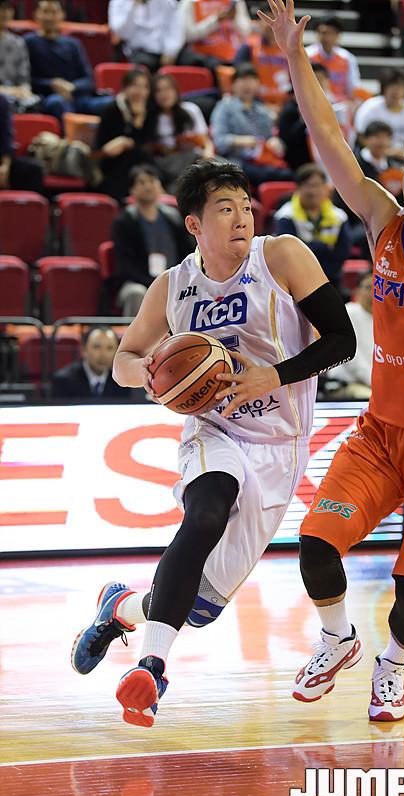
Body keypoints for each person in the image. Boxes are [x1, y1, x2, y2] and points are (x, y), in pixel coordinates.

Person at [261, 0, 404, 721]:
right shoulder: (382, 225)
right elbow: (329, 139)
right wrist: (294, 56)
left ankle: (392, 666)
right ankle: (338, 640)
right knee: (314, 545)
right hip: (382, 432)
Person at [71, 158, 356, 728]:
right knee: (204, 512)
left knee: (199, 609)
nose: (242, 217)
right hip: (215, 428)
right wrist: (150, 371)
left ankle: (120, 607)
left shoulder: (282, 256)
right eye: (225, 209)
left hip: (279, 443)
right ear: (195, 224)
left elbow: (343, 340)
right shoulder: (173, 286)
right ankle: (153, 669)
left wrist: (271, 376)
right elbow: (125, 359)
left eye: (246, 206)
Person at [110, 164, 195, 317]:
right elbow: (125, 265)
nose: (148, 186)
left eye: (152, 181)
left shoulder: (174, 219)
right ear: (132, 190)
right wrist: (153, 284)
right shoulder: (125, 222)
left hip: (173, 278)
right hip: (138, 281)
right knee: (135, 292)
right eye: (142, 182)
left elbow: (189, 252)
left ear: (160, 186)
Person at [25, 0, 111, 120]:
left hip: (77, 96)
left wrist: (71, 87)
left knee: (111, 103)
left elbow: (89, 79)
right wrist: (51, 84)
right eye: (45, 12)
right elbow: (27, 80)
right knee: (58, 102)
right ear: (36, 15)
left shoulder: (73, 44)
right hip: (47, 97)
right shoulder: (28, 42)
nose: (49, 17)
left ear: (62, 15)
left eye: (54, 12)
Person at [210, 62, 293, 186]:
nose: (247, 85)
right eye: (243, 80)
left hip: (263, 160)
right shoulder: (224, 107)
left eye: (252, 80)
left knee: (288, 174)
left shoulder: (262, 110)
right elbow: (219, 141)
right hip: (236, 161)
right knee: (276, 175)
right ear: (233, 84)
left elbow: (270, 137)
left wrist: (275, 142)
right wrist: (242, 141)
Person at [273, 162, 351, 288]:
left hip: (331, 278)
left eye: (318, 186)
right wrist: (325, 248)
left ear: (325, 188)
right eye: (309, 186)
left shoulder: (339, 216)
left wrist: (310, 247)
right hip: (296, 280)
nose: (313, 191)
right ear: (298, 188)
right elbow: (288, 253)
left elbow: (343, 252)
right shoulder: (285, 216)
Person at [95, 68, 156, 202]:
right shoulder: (112, 110)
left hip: (140, 161)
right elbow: (101, 146)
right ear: (125, 88)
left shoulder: (150, 110)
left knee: (143, 158)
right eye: (135, 86)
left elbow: (147, 142)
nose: (140, 91)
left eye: (145, 87)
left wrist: (138, 123)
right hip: (114, 163)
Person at [151, 72, 214, 193]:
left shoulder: (190, 109)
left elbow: (205, 141)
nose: (164, 94)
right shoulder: (152, 117)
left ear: (176, 90)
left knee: (225, 168)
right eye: (159, 91)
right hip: (169, 163)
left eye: (168, 89)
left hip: (196, 157)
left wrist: (208, 153)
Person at [354, 67, 404, 159]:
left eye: (400, 87)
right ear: (383, 88)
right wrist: (384, 152)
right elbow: (361, 136)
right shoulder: (370, 107)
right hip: (374, 156)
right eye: (391, 87)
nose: (396, 91)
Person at [324, 271, 373, 399]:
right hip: (347, 383)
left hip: (375, 382)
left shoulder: (387, 318)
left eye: (377, 288)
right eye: (368, 287)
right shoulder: (349, 312)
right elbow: (353, 359)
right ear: (357, 291)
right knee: (373, 397)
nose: (373, 292)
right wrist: (375, 382)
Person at [51, 327, 132, 400]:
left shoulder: (124, 382)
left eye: (109, 348)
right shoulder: (64, 381)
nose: (103, 355)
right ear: (83, 350)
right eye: (97, 347)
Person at [108, 0, 186, 72]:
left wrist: (171, 52)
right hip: (139, 50)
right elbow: (122, 34)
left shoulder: (168, 2)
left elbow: (176, 29)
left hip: (166, 49)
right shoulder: (119, 2)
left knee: (190, 60)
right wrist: (133, 7)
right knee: (143, 66)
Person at [234, 18, 291, 108]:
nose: (271, 25)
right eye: (267, 21)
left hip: (285, 101)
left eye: (276, 19)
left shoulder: (289, 47)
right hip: (256, 101)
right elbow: (240, 73)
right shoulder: (249, 45)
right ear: (259, 24)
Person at [305, 15, 362, 103]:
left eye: (331, 33)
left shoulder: (347, 58)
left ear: (338, 35)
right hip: (313, 102)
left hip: (341, 105)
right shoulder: (307, 55)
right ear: (317, 33)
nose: (327, 37)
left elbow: (353, 86)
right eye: (324, 32)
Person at [179, 0, 251, 67]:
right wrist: (216, 20)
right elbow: (188, 36)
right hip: (201, 61)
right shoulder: (189, 2)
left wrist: (234, 18)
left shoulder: (235, 2)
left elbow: (246, 32)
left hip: (232, 60)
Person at [0, 0, 40, 111]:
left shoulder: (18, 43)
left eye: (8, 9)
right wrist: (8, 91)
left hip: (15, 97)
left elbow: (24, 81)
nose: (4, 13)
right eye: (1, 8)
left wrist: (24, 91)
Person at [0, 93, 44, 192]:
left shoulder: (2, 101)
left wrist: (5, 166)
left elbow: (6, 138)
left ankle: (32, 202)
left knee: (33, 169)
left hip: (2, 160)